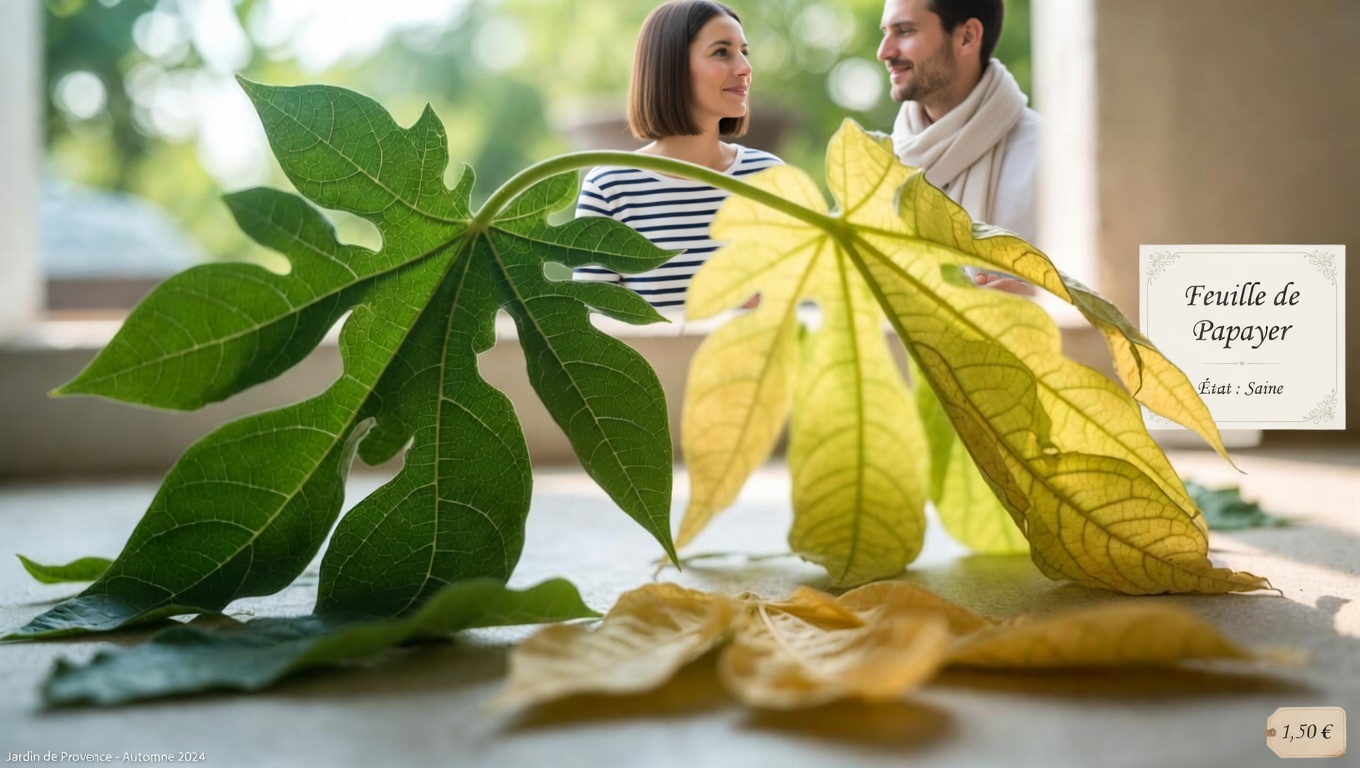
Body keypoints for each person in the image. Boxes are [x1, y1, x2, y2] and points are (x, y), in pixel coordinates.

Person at [573, 0, 783, 310]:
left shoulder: (769, 177)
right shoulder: (609, 188)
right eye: (722, 52)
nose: (745, 68)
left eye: (744, 52)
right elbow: (591, 326)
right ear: (670, 66)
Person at [877, 0, 1038, 294]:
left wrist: (1044, 303)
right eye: (885, 32)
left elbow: (1130, 293)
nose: (884, 51)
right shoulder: (878, 166)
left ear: (967, 37)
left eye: (904, 31)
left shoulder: (1049, 156)